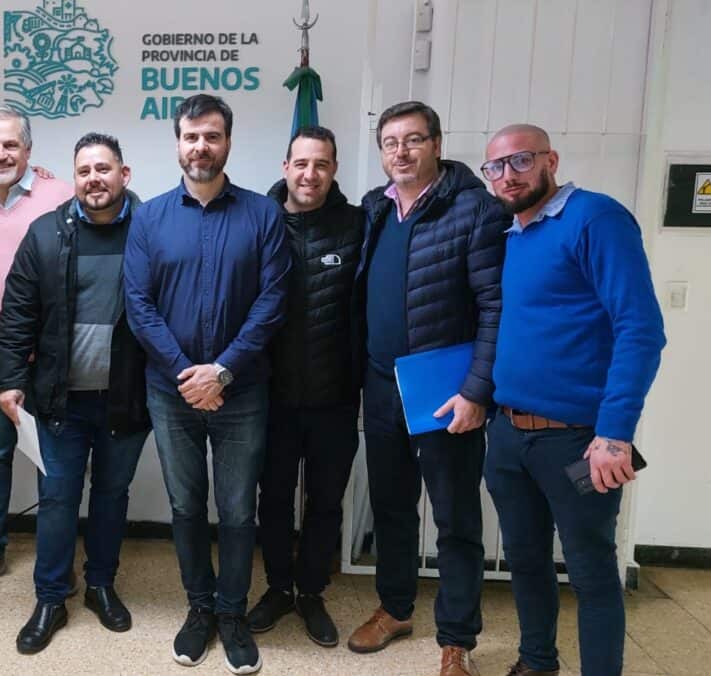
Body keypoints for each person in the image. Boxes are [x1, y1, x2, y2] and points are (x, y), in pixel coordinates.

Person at [481, 124, 665, 676]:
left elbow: (640, 330)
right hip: (509, 435)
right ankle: (537, 662)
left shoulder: (595, 218)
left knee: (590, 574)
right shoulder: (515, 234)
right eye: (496, 167)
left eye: (521, 161)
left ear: (550, 160)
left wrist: (615, 434)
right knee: (525, 561)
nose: (508, 176)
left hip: (580, 442)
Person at [125, 93, 290, 675]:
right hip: (170, 393)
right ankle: (200, 607)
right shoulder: (149, 217)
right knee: (186, 505)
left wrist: (222, 370)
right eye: (191, 136)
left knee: (239, 510)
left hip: (241, 390)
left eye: (212, 136)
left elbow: (272, 301)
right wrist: (187, 375)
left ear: (228, 143)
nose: (201, 146)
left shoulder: (263, 215)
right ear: (178, 143)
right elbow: (139, 305)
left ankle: (232, 613)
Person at [349, 100, 507, 676]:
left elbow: (495, 308)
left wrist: (477, 391)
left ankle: (457, 640)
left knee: (455, 519)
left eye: (413, 140)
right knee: (391, 507)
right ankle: (395, 609)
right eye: (391, 142)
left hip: (446, 391)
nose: (401, 152)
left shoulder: (476, 210)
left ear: (437, 144)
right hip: (382, 385)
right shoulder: (375, 208)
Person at [0, 132, 149, 654]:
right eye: (84, 171)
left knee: (111, 496)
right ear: (74, 178)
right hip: (60, 400)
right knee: (58, 499)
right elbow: (17, 313)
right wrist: (9, 380)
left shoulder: (151, 230)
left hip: (125, 397)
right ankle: (51, 597)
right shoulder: (45, 233)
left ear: (124, 174)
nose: (94, 179)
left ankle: (101, 584)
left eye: (103, 169)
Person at [247, 126, 364, 647]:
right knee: (272, 499)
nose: (309, 174)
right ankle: (277, 588)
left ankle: (312, 591)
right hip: (269, 397)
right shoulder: (258, 222)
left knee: (325, 502)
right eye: (301, 163)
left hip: (335, 396)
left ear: (333, 169)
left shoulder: (358, 224)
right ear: (285, 167)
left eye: (321, 164)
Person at [0, 104, 74, 598]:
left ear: (28, 150)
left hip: (47, 361)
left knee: (54, 463)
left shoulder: (60, 194)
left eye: (10, 144)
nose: (0, 153)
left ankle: (56, 562)